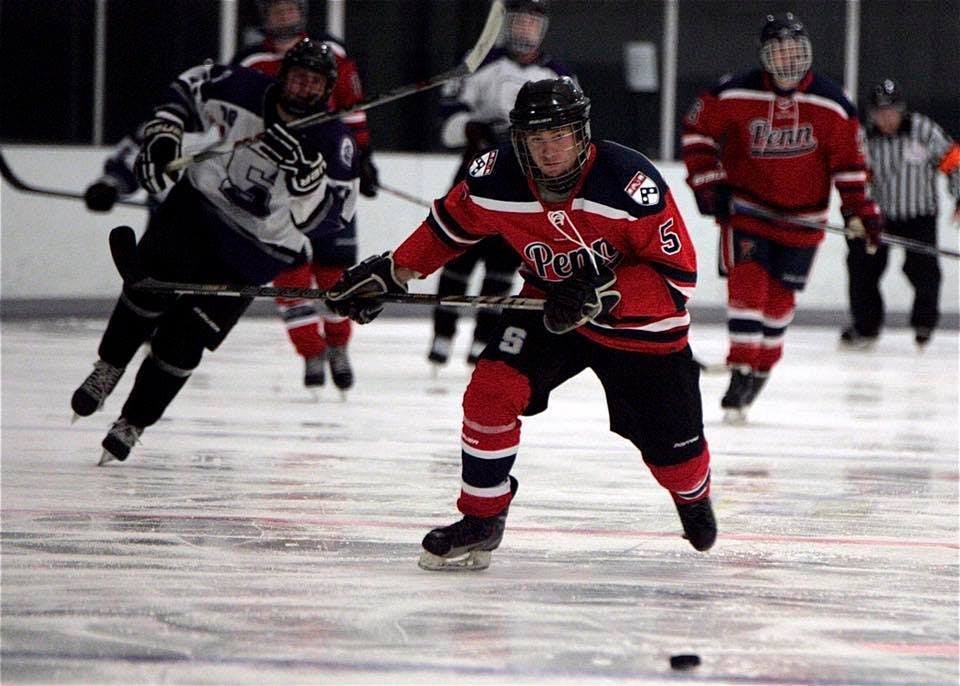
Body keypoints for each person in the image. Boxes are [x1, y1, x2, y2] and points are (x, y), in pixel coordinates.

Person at [325, 77, 716, 571]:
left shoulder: (628, 182)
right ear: (519, 141)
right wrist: (393, 271)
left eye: (560, 137)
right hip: (548, 307)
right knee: (490, 392)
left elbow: (677, 279)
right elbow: (448, 227)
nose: (549, 151)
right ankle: (482, 517)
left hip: (641, 330)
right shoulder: (495, 177)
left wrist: (603, 292)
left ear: (582, 134)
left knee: (674, 459)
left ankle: (692, 495)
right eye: (536, 139)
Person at [71, 38, 359, 465]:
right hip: (196, 212)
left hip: (256, 250)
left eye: (314, 83)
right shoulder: (241, 87)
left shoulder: (333, 142)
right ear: (283, 76)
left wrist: (307, 188)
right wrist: (166, 133)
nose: (304, 89)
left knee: (183, 343)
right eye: (298, 78)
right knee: (145, 292)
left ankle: (134, 421)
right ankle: (108, 367)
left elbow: (334, 220)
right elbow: (189, 86)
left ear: (327, 90)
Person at [681, 12, 882, 423]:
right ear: (765, 56)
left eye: (795, 50)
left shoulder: (833, 103)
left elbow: (849, 165)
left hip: (803, 221)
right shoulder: (731, 92)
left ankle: (762, 366)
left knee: (778, 307)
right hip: (748, 210)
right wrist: (709, 182)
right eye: (780, 50)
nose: (789, 59)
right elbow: (697, 133)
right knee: (749, 286)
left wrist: (859, 212)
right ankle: (741, 367)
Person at [428, 0, 576, 367]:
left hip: (526, 185)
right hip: (476, 174)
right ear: (507, 24)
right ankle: (442, 335)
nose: (524, 30)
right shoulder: (480, 63)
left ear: (541, 30)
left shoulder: (559, 75)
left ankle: (482, 340)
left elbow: (573, 134)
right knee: (457, 257)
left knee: (502, 267)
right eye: (519, 22)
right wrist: (469, 128)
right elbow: (448, 117)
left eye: (532, 23)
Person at [840, 78, 960, 349]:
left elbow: (953, 161)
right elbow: (854, 177)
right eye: (880, 112)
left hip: (919, 215)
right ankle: (866, 326)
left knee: (925, 272)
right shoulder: (866, 137)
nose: (886, 118)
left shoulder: (923, 130)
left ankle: (924, 323)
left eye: (891, 111)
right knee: (861, 267)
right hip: (880, 217)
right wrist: (853, 214)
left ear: (901, 109)